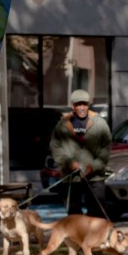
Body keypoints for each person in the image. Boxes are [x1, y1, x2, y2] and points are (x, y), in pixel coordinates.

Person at [50, 89, 111, 217]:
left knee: (97, 215)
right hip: (71, 177)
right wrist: (68, 163)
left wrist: (93, 166)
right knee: (74, 217)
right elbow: (55, 147)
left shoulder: (100, 124)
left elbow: (105, 150)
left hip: (95, 177)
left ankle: (97, 237)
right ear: (73, 106)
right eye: (78, 105)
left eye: (84, 104)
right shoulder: (62, 125)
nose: (82, 108)